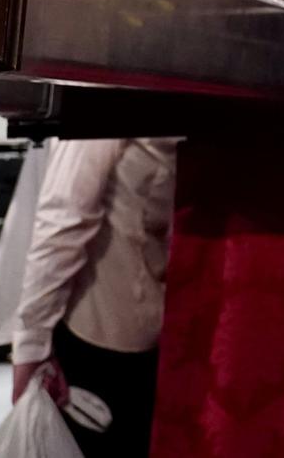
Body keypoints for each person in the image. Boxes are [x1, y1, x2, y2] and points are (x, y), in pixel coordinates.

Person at [12, 138, 178, 458]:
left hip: (96, 321)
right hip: (151, 315)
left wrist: (30, 341)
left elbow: (65, 216)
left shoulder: (105, 100)